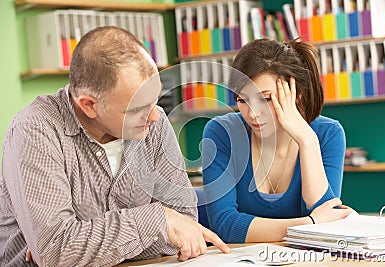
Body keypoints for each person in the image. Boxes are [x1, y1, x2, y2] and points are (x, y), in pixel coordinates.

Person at [0, 26, 229, 267]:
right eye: (137, 109)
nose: (154, 117)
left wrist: (84, 246)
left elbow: (184, 227)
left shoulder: (155, 123)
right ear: (89, 105)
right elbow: (56, 251)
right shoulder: (35, 129)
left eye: (155, 100)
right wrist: (156, 220)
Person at [202, 38, 353, 243]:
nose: (253, 113)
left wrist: (307, 140)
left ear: (296, 93)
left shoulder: (327, 134)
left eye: (265, 99)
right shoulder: (222, 132)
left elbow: (327, 220)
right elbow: (225, 225)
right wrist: (309, 224)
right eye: (242, 100)